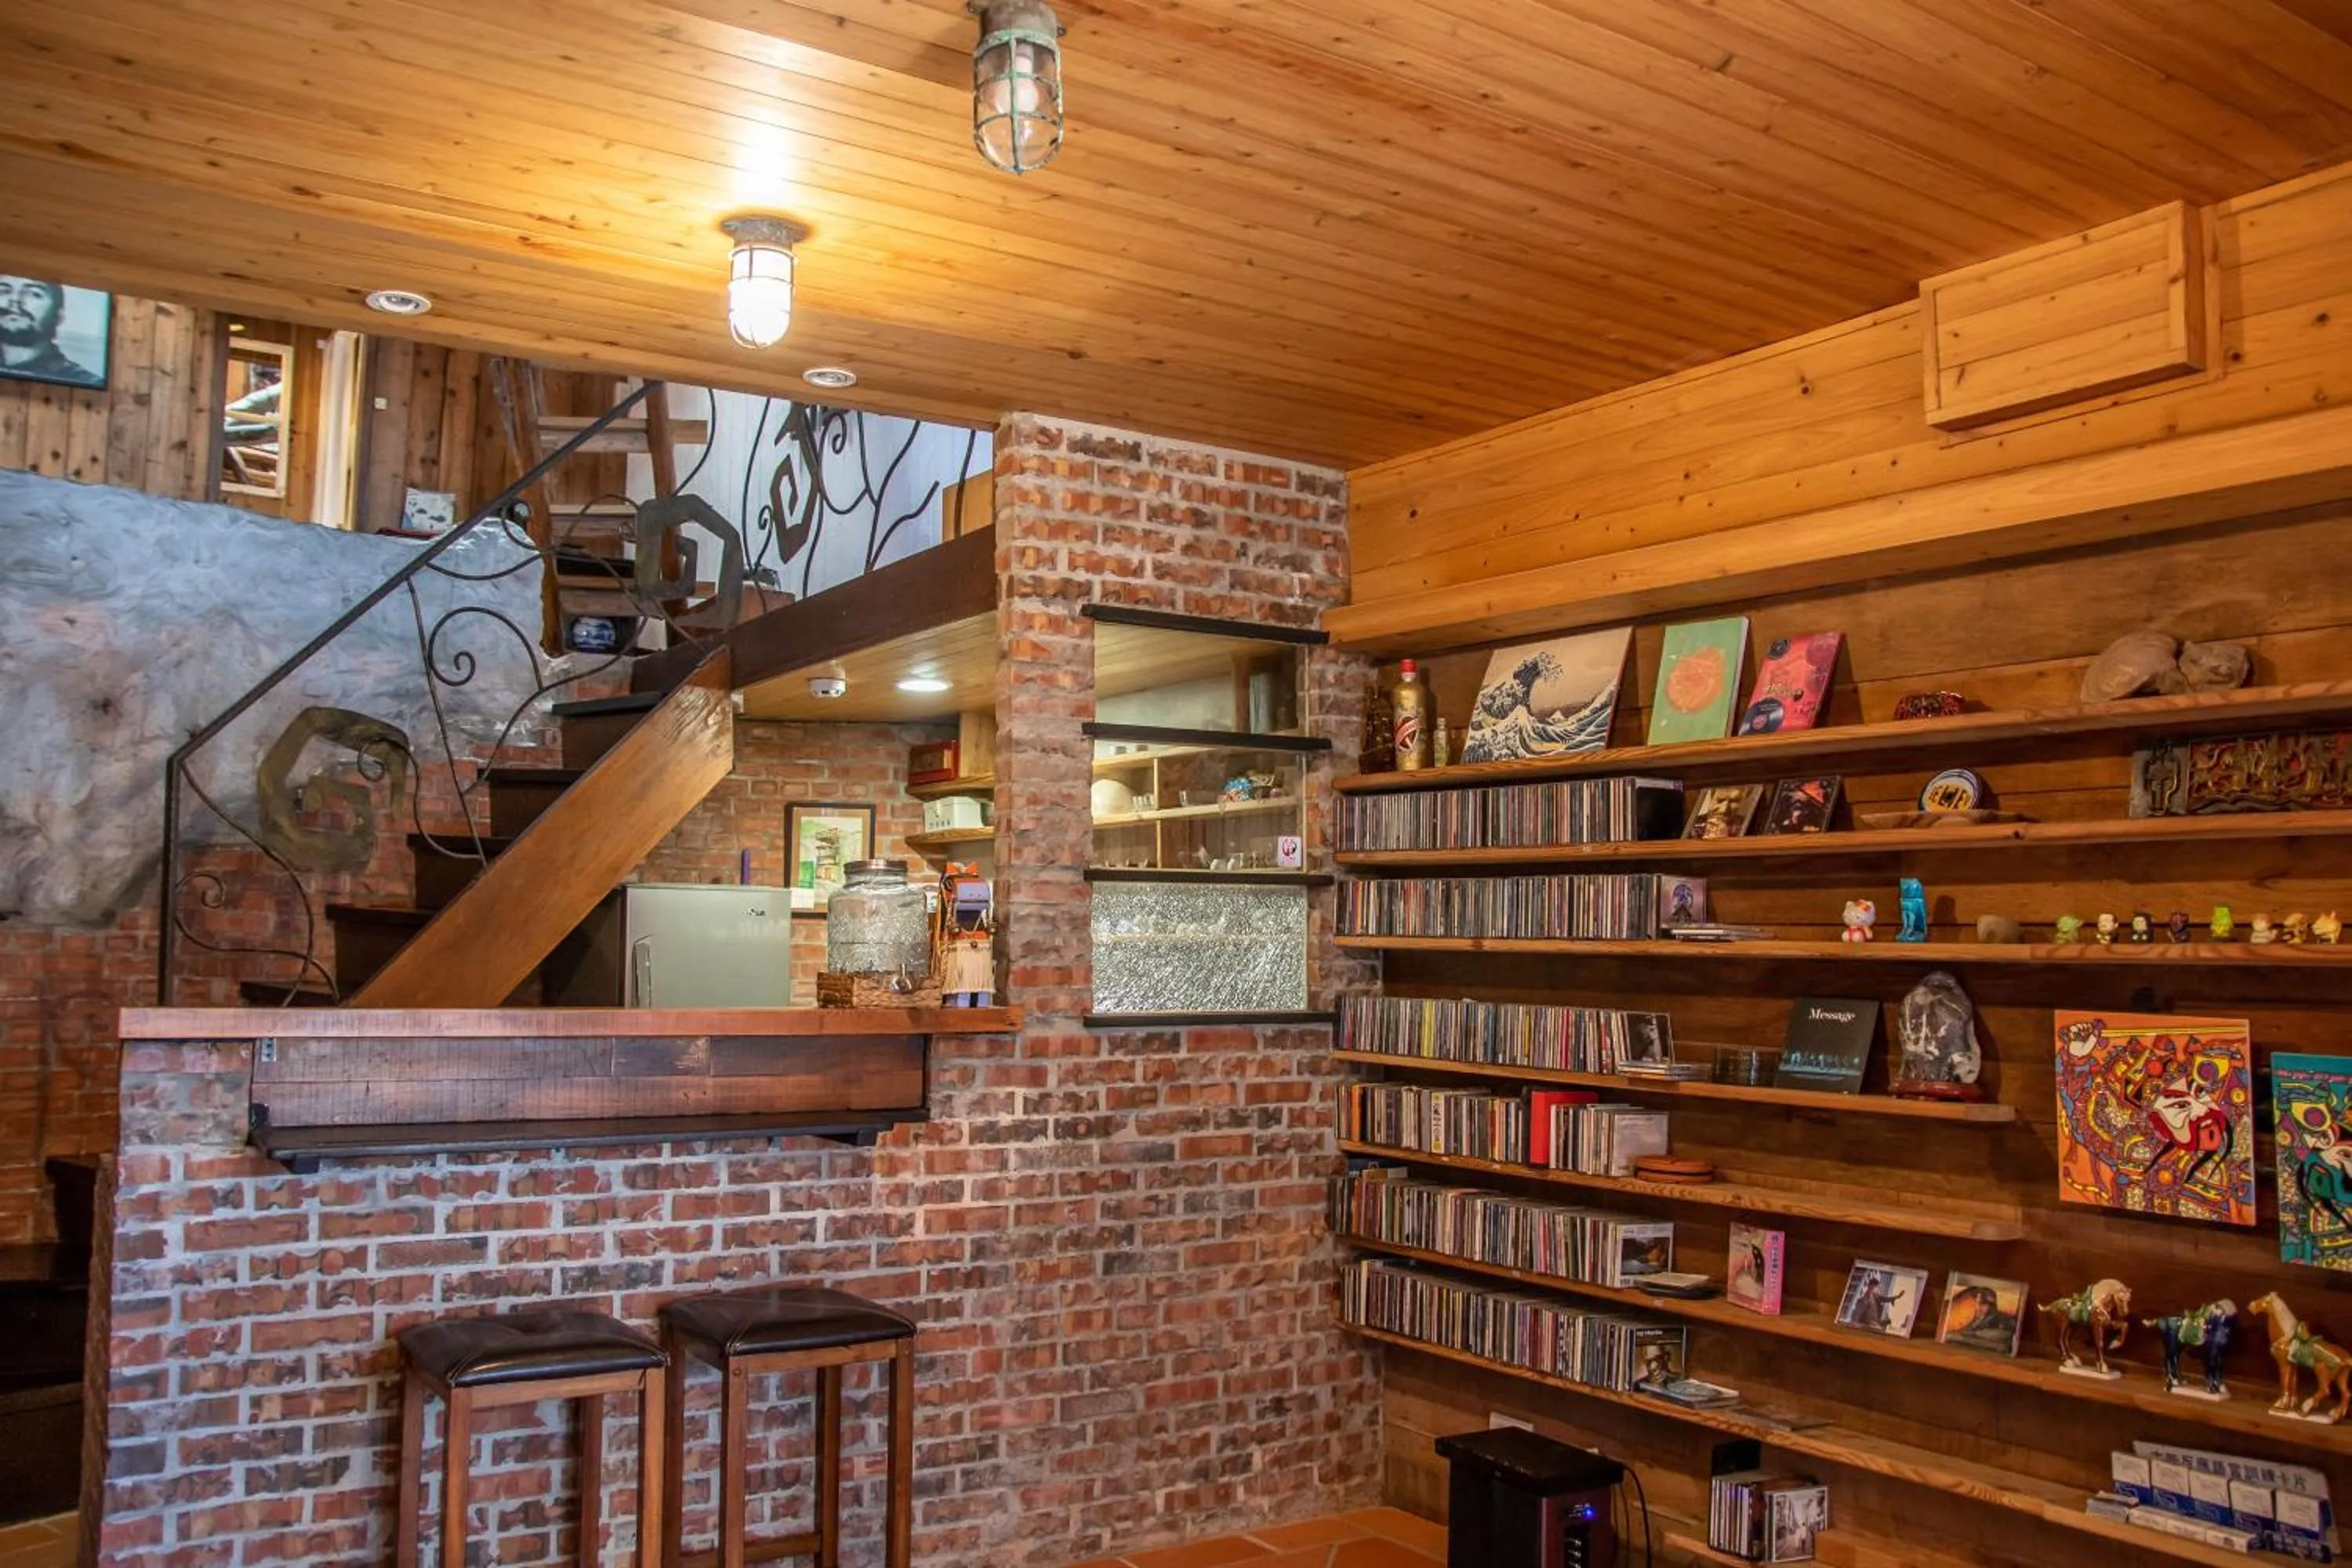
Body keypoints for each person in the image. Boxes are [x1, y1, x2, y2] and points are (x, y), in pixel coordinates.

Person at [0, 276, 103, 387]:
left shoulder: (87, 381)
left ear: (59, 316)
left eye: (34, 294)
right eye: (4, 291)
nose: (15, 299)